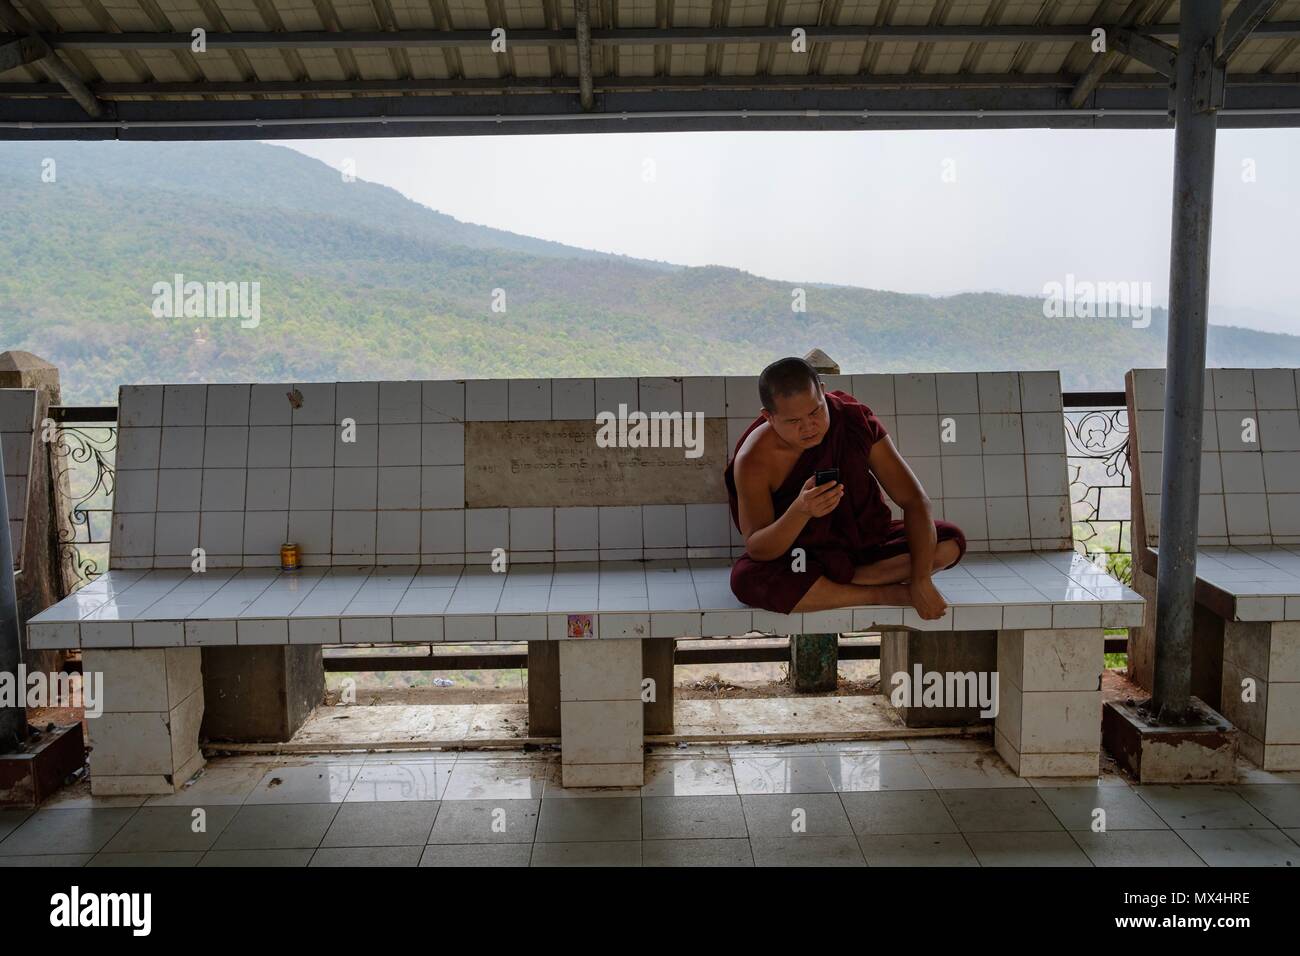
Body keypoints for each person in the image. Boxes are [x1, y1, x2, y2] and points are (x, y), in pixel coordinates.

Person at [725, 357, 966, 619]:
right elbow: (759, 548)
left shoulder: (851, 420)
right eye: (794, 422)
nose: (809, 427)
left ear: (824, 392)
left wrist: (921, 581)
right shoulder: (754, 459)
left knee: (949, 542)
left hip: (865, 545)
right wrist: (800, 511)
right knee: (747, 579)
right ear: (768, 417)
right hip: (802, 557)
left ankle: (838, 584)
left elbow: (914, 500)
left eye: (816, 411)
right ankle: (882, 594)